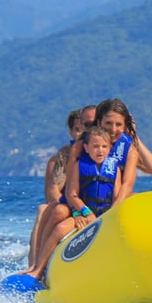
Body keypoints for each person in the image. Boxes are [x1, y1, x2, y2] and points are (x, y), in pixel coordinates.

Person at [24, 98, 142, 278]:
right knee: (58, 216)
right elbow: (70, 187)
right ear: (99, 122)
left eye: (118, 124)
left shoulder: (126, 153)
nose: (113, 129)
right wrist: (80, 212)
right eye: (108, 123)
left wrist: (111, 214)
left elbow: (126, 185)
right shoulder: (81, 148)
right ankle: (38, 269)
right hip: (81, 208)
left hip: (108, 208)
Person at [24, 106, 93, 269]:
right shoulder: (61, 158)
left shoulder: (100, 151)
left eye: (85, 128)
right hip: (68, 207)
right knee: (43, 209)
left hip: (88, 207)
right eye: (77, 129)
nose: (80, 133)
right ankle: (35, 266)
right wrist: (75, 210)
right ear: (71, 132)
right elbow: (53, 192)